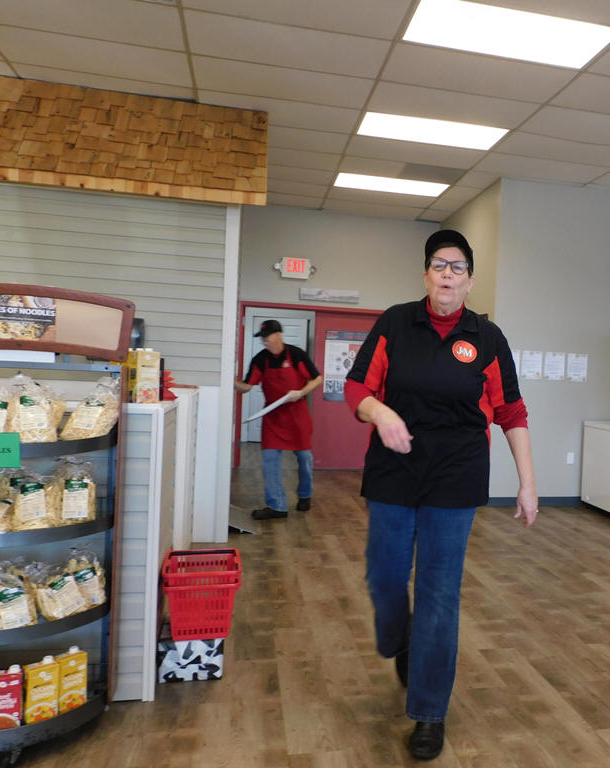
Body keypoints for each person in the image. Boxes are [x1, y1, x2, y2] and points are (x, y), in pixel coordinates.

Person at [344, 229, 538, 761]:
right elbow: (357, 388)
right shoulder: (395, 323)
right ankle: (401, 640)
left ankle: (429, 713)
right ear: (426, 275)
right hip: (394, 465)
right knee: (385, 576)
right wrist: (381, 413)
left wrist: (527, 482)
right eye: (438, 265)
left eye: (457, 267)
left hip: (456, 473)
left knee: (438, 592)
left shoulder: (487, 338)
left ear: (470, 281)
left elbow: (511, 411)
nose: (447, 274)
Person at [235, 319, 323, 520]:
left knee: (305, 458)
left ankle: (305, 494)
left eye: (267, 337)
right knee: (269, 460)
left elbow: (317, 379)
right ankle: (277, 506)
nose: (264, 341)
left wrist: (301, 392)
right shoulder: (260, 359)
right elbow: (247, 386)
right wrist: (228, 381)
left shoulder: (297, 355)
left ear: (279, 335)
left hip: (297, 416)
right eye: (262, 338)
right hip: (273, 417)